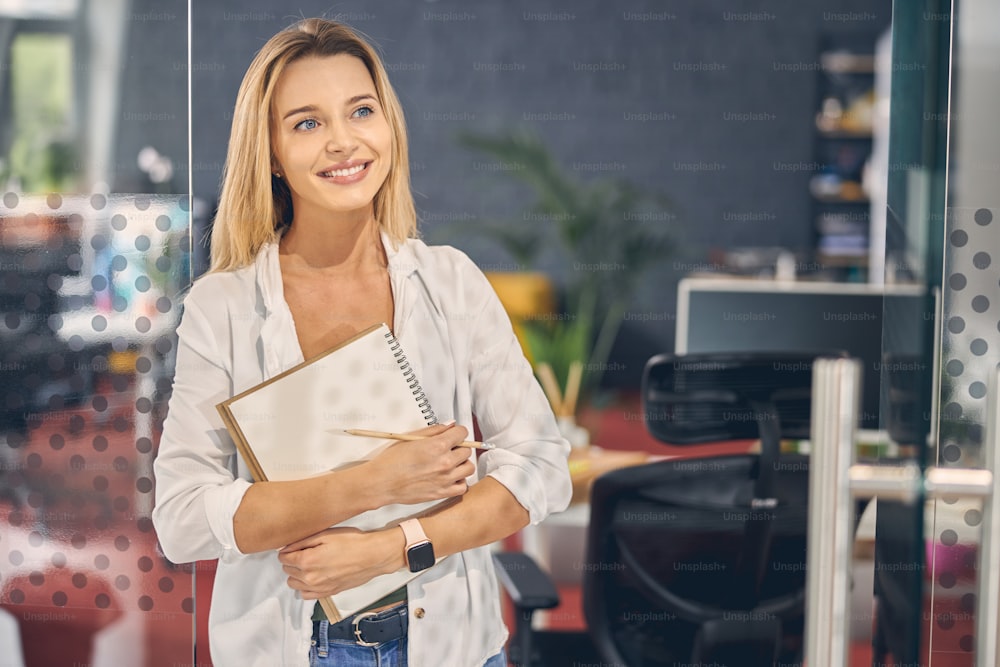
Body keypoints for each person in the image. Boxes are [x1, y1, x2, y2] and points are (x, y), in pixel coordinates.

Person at [151, 17, 571, 667]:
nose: (343, 142)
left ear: (390, 126)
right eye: (307, 123)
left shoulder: (451, 282)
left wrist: (394, 544)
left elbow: (540, 463)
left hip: (455, 645)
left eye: (361, 111)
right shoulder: (225, 305)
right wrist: (374, 482)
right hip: (294, 648)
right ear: (270, 153)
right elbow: (181, 519)